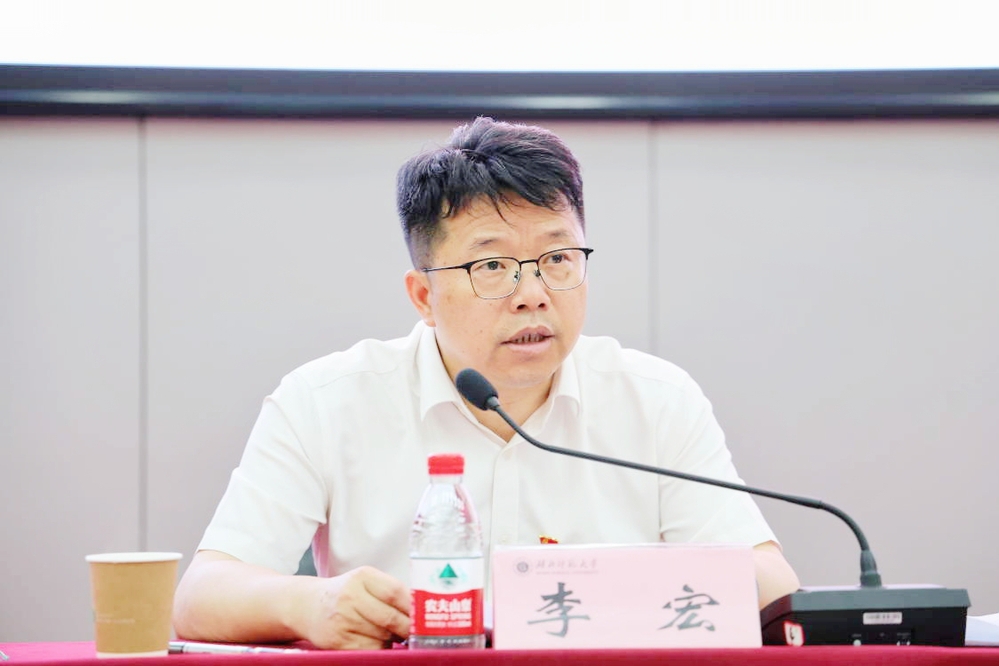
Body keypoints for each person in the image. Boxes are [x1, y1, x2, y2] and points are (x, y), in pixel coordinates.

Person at [172, 117, 800, 650]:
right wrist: (310, 604)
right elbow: (200, 598)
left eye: (558, 258)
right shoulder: (326, 402)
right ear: (424, 296)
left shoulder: (655, 400)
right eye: (492, 265)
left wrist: (626, 588)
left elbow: (773, 587)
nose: (533, 295)